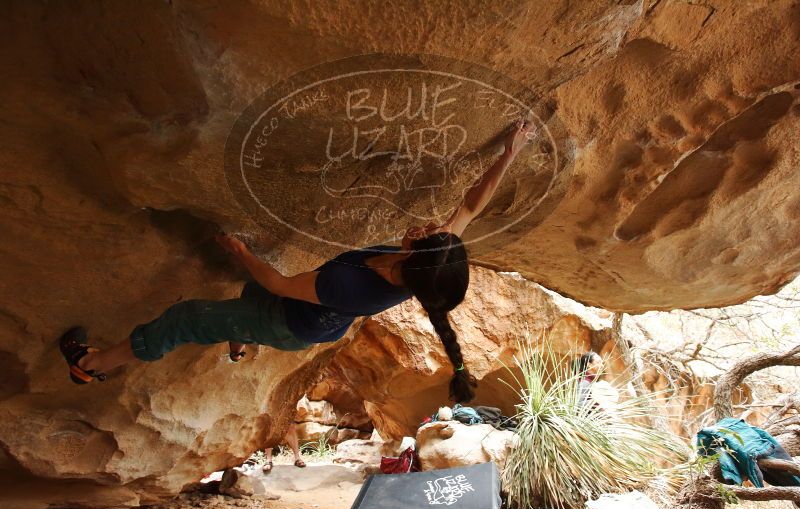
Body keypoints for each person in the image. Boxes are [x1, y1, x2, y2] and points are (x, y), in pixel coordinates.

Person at [59, 118, 536, 404]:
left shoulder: (352, 288)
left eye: (428, 234)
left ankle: (92, 363)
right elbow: (470, 206)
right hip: (312, 318)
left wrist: (241, 252)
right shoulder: (425, 266)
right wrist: (509, 152)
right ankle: (240, 340)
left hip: (290, 323)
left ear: (413, 260)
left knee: (186, 318)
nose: (431, 224)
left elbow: (281, 286)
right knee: (249, 293)